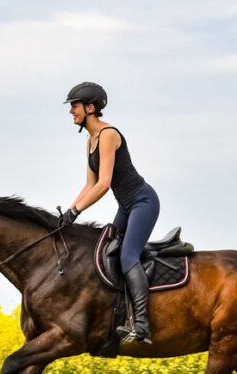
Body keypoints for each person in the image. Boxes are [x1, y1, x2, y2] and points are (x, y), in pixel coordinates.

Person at [60, 82, 159, 344]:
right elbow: (89, 185)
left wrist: (76, 211)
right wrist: (69, 213)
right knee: (108, 250)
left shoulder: (108, 135)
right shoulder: (90, 141)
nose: (71, 111)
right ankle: (120, 314)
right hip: (126, 206)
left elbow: (104, 184)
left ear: (90, 108)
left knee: (127, 256)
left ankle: (142, 326)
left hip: (143, 202)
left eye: (75, 106)